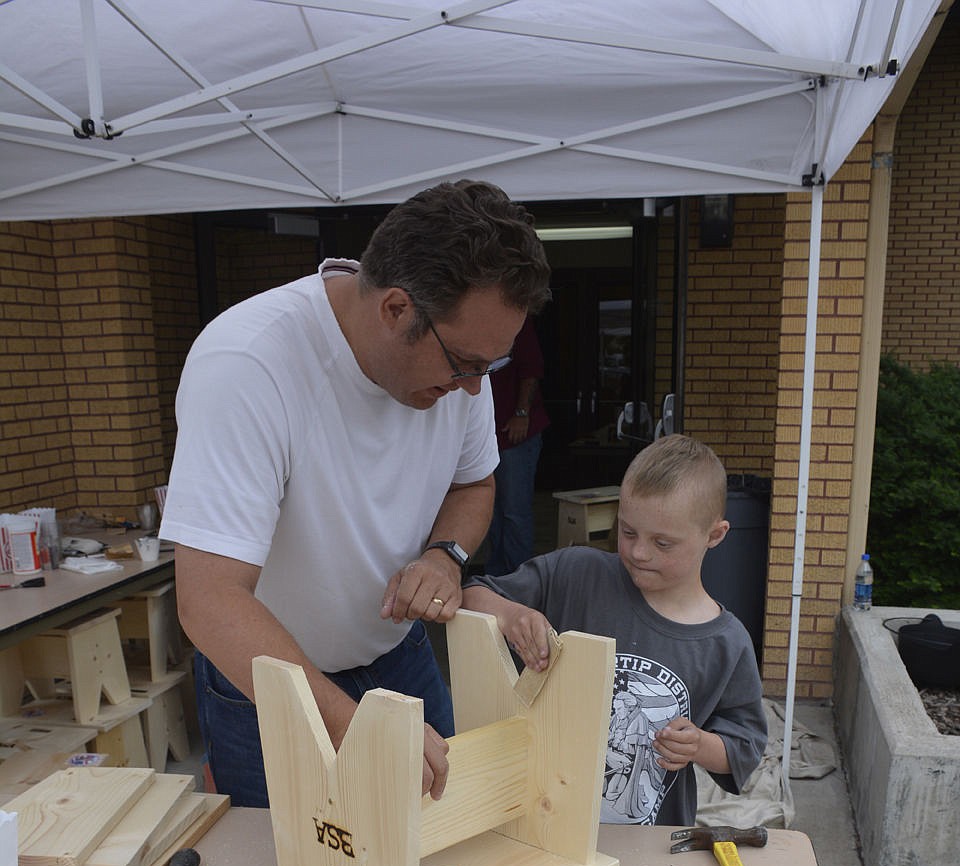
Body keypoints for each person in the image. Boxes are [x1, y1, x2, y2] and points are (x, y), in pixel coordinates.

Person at [159, 180, 551, 808]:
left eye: (491, 367)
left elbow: (475, 481)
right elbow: (207, 599)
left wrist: (443, 556)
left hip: (398, 656)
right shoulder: (248, 363)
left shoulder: (459, 369)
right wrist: (355, 728)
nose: (477, 390)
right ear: (396, 309)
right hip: (268, 681)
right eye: (466, 365)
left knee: (433, 854)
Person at [460, 434, 766, 828]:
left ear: (715, 535)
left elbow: (744, 747)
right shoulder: (575, 573)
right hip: (541, 823)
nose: (639, 552)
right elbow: (471, 594)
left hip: (649, 843)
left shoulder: (727, 642)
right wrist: (511, 614)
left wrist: (700, 745)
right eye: (628, 531)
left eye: (663, 542)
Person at [485, 315, 549, 574]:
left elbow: (531, 370)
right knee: (490, 511)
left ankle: (519, 578)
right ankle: (497, 575)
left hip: (515, 432)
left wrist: (521, 413)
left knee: (514, 511)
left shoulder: (516, 320)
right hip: (488, 435)